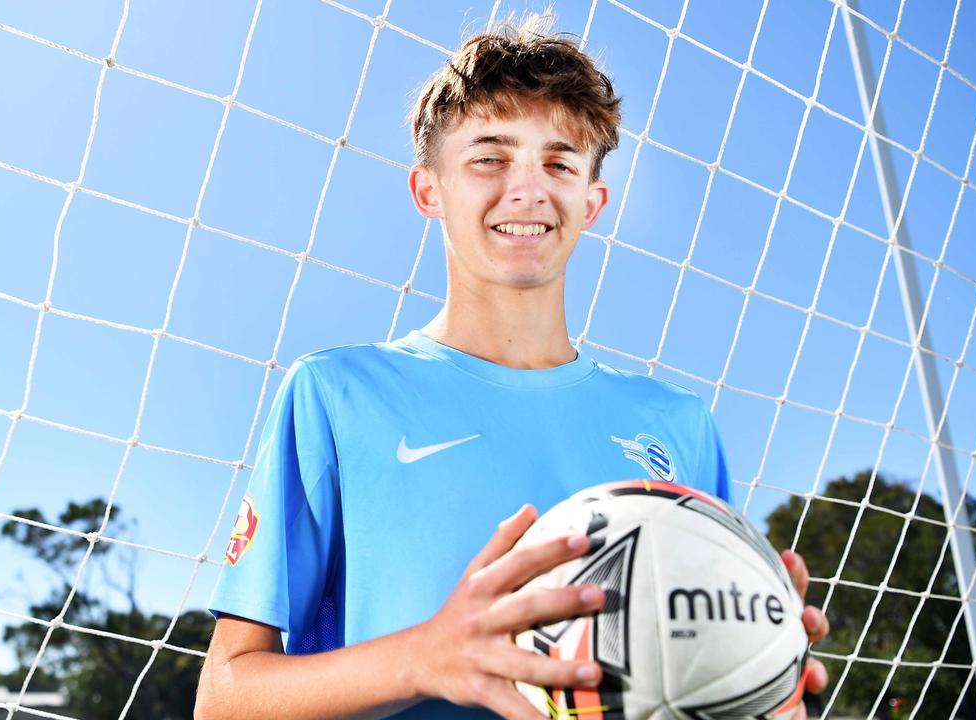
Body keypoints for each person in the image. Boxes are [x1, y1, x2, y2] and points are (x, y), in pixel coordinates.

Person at [195, 12, 829, 720]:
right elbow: (223, 699)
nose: (527, 190)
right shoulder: (338, 394)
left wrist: (761, 677)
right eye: (489, 157)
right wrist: (425, 655)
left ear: (591, 204)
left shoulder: (677, 423)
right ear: (428, 190)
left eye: (557, 163)